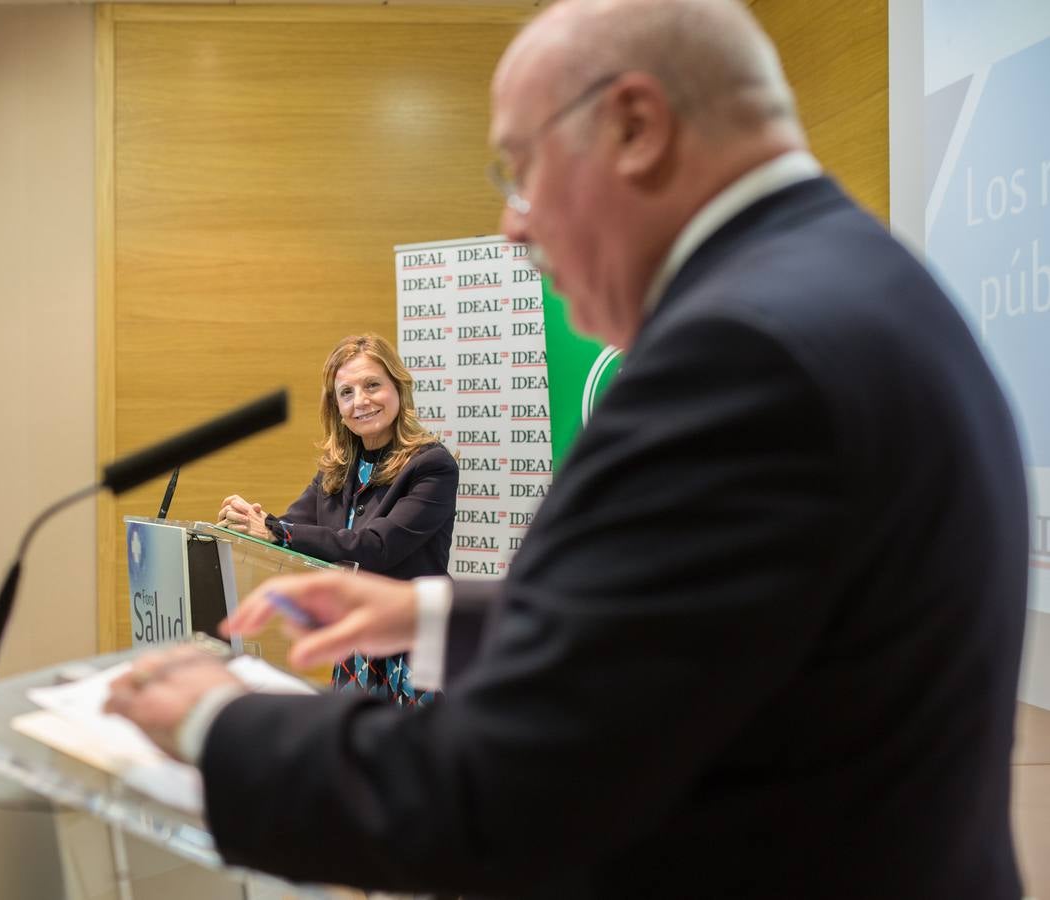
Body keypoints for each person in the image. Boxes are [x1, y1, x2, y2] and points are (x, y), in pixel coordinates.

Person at [105, 0, 1030, 896]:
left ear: (636, 125)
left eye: (521, 169)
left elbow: (510, 790)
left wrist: (217, 723)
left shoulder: (739, 354)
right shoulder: (850, 278)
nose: (512, 223)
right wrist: (427, 617)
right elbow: (684, 630)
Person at [215, 332, 457, 705]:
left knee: (415, 758)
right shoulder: (338, 469)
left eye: (372, 385)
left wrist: (277, 532)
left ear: (398, 387)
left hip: (415, 643)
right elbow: (292, 528)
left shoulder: (430, 465)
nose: (360, 401)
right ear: (336, 407)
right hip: (356, 641)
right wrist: (253, 520)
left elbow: (376, 547)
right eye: (346, 392)